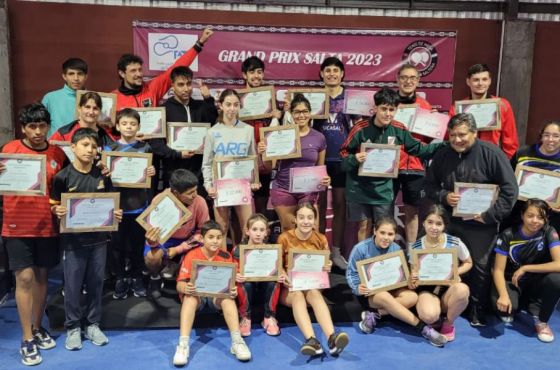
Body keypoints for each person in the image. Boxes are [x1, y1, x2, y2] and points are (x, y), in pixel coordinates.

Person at [425, 112, 518, 327]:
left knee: (480, 267)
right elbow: (428, 185)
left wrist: (490, 215)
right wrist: (444, 197)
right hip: (450, 222)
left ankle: (477, 309)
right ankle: (442, 303)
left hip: (481, 224)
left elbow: (510, 190)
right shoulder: (442, 155)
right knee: (443, 262)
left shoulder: (492, 154)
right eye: (453, 135)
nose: (457, 139)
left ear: (475, 133)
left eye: (463, 134)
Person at [0, 103, 66, 366]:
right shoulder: (9, 150)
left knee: (41, 278)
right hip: (16, 225)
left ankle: (38, 327)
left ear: (48, 125)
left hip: (47, 225)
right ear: (23, 128)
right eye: (32, 126)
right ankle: (27, 338)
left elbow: (69, 182)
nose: (38, 131)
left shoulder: (58, 154)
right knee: (24, 278)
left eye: (42, 126)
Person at [50, 128, 123, 351]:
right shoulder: (62, 176)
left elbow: (111, 203)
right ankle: (72, 326)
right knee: (72, 286)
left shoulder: (103, 175)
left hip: (99, 240)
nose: (90, 150)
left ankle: (92, 324)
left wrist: (115, 214)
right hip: (73, 243)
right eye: (84, 145)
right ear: (73, 147)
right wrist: (57, 211)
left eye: (93, 146)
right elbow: (53, 204)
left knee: (95, 283)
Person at [340, 88, 443, 242]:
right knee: (364, 226)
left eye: (391, 109)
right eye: (383, 109)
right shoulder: (360, 128)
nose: (387, 113)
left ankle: (381, 264)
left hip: (383, 190)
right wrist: (354, 158)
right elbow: (343, 155)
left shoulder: (398, 129)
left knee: (384, 228)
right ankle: (362, 263)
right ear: (375, 108)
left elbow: (418, 149)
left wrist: (444, 145)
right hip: (359, 189)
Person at [346, 217, 447, 347]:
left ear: (395, 235)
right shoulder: (360, 249)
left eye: (390, 234)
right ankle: (423, 329)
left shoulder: (397, 249)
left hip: (392, 288)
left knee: (412, 296)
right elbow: (351, 273)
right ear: (375, 231)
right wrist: (357, 287)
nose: (386, 237)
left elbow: (401, 274)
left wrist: (409, 279)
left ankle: (375, 315)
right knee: (384, 296)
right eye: (382, 232)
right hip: (372, 293)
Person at [173, 220, 251, 366]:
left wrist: (232, 289)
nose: (215, 241)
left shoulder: (226, 256)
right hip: (198, 297)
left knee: (228, 298)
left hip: (216, 297)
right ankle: (183, 345)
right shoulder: (191, 255)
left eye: (219, 237)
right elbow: (179, 284)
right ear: (202, 239)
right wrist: (186, 288)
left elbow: (230, 283)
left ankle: (237, 341)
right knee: (189, 297)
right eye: (211, 237)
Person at [277, 203, 349, 356]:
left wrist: (327, 265)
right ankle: (311, 340)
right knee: (297, 295)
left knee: (314, 293)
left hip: (312, 284)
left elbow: (326, 262)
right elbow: (277, 266)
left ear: (315, 220)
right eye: (301, 217)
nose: (305, 221)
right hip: (290, 286)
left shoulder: (321, 239)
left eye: (310, 218)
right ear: (295, 219)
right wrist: (283, 274)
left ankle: (332, 338)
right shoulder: (283, 238)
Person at [104, 108, 156, 299]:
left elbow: (150, 178)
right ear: (117, 126)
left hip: (138, 206)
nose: (128, 127)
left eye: (133, 124)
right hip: (117, 207)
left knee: (137, 244)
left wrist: (150, 172)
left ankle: (136, 277)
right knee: (117, 246)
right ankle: (120, 277)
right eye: (124, 123)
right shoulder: (109, 149)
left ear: (138, 126)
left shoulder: (145, 148)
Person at [258, 94, 330, 232]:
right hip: (284, 189)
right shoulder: (280, 135)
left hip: (308, 190)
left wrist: (326, 178)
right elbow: (269, 167)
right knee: (289, 231)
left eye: (304, 111)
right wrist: (264, 153)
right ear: (291, 114)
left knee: (310, 230)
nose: (301, 115)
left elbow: (320, 168)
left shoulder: (319, 138)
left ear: (310, 113)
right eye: (297, 112)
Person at [492, 199, 560, 343]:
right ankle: (518, 303)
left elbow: (559, 264)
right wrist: (503, 295)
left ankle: (542, 322)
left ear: (546, 218)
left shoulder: (549, 231)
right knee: (506, 310)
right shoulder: (508, 234)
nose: (535, 221)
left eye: (540, 217)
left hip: (533, 280)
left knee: (557, 279)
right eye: (530, 216)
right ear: (522, 215)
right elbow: (498, 270)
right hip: (511, 280)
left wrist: (526, 268)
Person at [202, 89, 258, 247]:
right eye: (228, 104)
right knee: (221, 229)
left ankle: (246, 267)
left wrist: (253, 181)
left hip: (242, 186)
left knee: (248, 228)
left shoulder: (248, 130)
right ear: (220, 105)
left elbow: (251, 160)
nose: (232, 109)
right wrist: (208, 186)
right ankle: (223, 266)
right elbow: (207, 163)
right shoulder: (213, 132)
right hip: (221, 188)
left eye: (236, 105)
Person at [409, 205, 472, 342]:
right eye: (430, 222)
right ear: (424, 223)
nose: (434, 227)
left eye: (439, 224)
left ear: (444, 226)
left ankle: (448, 323)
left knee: (462, 290)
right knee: (429, 315)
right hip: (427, 291)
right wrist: (413, 278)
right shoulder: (415, 247)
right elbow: (414, 273)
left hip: (448, 290)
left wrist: (455, 272)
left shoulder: (454, 242)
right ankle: (436, 319)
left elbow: (468, 262)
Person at [144, 169, 210, 299]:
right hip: (164, 240)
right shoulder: (159, 200)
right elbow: (151, 232)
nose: (194, 195)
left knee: (206, 250)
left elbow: (203, 232)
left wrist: (179, 249)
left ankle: (183, 276)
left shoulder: (199, 201)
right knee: (152, 257)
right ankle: (155, 277)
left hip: (187, 239)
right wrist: (153, 242)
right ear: (175, 193)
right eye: (190, 193)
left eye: (196, 190)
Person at [312, 57, 352, 270]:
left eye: (336, 70)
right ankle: (319, 252)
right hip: (319, 158)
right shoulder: (315, 97)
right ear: (321, 74)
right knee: (317, 208)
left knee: (339, 205)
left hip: (342, 160)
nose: (331, 74)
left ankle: (336, 252)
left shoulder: (352, 99)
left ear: (342, 74)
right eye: (327, 70)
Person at [151, 66, 218, 190]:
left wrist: (208, 100)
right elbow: (155, 144)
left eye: (188, 84)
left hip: (199, 171)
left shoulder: (201, 106)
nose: (186, 89)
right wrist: (177, 154)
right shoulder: (163, 110)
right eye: (181, 85)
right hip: (173, 172)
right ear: (172, 85)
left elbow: (213, 124)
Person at [113, 28, 213, 111]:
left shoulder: (152, 88)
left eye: (140, 69)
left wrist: (199, 44)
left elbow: (176, 67)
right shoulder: (113, 98)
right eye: (133, 71)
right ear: (122, 73)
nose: (139, 74)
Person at [393, 63, 434, 246]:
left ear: (418, 81)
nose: (407, 81)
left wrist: (435, 123)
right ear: (398, 80)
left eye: (412, 78)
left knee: (412, 211)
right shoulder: (389, 104)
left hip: (415, 166)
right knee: (384, 210)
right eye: (404, 77)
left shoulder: (425, 106)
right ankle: (385, 251)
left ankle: (411, 251)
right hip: (390, 165)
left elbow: (431, 139)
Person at [448, 63, 519, 159]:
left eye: (484, 79)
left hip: (492, 158)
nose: (480, 83)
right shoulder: (457, 108)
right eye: (476, 80)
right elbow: (448, 136)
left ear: (489, 81)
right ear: (468, 81)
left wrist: (506, 162)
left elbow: (510, 141)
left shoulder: (503, 105)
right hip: (464, 158)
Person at [240, 56, 282, 215]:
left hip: (264, 158)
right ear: (244, 75)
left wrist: (278, 115)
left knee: (261, 205)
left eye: (259, 72)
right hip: (242, 158)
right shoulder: (236, 99)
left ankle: (261, 237)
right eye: (252, 72)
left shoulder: (270, 99)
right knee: (240, 205)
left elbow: (279, 130)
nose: (256, 76)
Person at [234, 213, 284, 337]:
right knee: (243, 281)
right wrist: (235, 275)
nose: (258, 233)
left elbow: (279, 269)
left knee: (275, 280)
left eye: (261, 230)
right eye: (254, 229)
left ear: (266, 232)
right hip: (247, 288)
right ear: (247, 231)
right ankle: (245, 317)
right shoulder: (238, 250)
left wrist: (280, 274)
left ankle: (269, 317)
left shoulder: (272, 250)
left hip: (264, 287)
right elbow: (232, 270)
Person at [509, 120, 560, 231]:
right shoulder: (523, 153)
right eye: (546, 135)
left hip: (551, 217)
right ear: (541, 136)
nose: (551, 140)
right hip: (519, 211)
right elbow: (508, 178)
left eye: (556, 136)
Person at [49, 91, 116, 149]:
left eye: (95, 108)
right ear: (79, 108)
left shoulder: (107, 138)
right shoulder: (64, 132)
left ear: (99, 111)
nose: (91, 112)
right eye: (87, 107)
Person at [42, 58, 88, 137]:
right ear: (64, 76)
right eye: (71, 74)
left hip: (86, 146)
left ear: (86, 76)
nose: (76, 78)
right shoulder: (50, 98)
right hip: (56, 146)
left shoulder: (94, 98)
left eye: (80, 74)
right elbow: (41, 125)